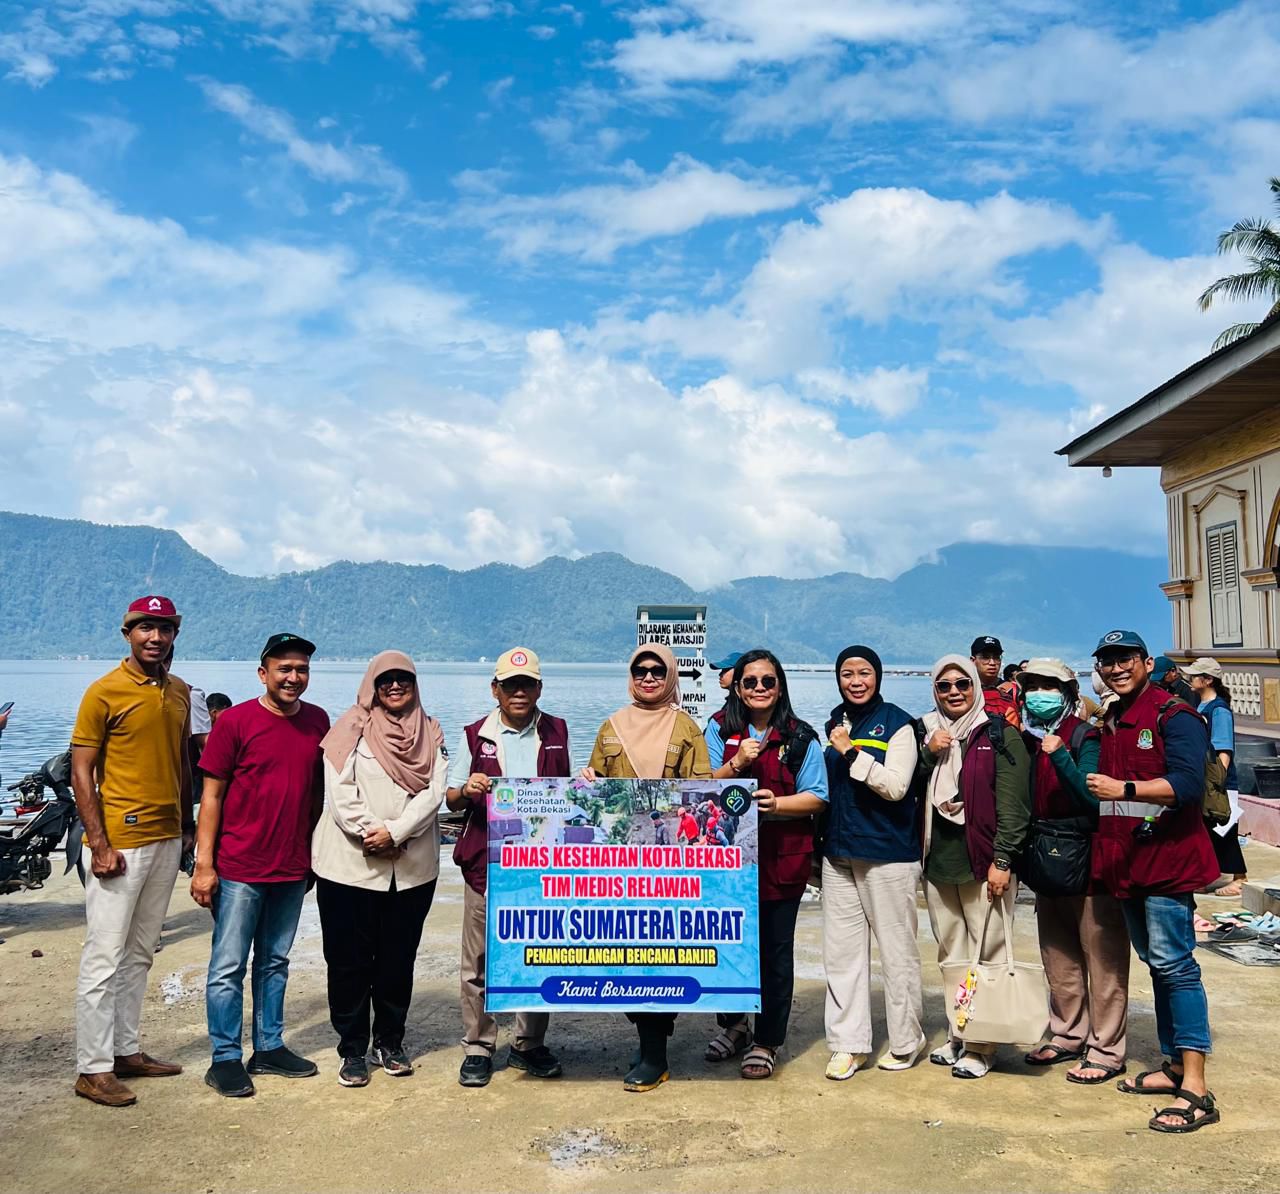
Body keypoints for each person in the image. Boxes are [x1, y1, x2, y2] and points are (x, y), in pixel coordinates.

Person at [1086, 630, 1221, 1133]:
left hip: (1167, 864)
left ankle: (1197, 1089)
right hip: (1128, 864)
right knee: (1156, 964)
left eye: (1124, 659)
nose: (1116, 668)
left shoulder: (1174, 716)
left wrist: (1124, 787)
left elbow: (1187, 784)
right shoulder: (1116, 717)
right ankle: (1173, 1065)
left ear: (1145, 662)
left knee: (1176, 966)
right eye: (1107, 661)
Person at [191, 634, 330, 1097]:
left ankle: (268, 1046)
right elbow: (211, 796)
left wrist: (312, 857)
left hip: (291, 866)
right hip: (239, 866)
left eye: (302, 670)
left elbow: (315, 796)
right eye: (284, 669)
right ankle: (225, 1057)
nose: (293, 677)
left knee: (274, 962)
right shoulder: (234, 721)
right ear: (263, 673)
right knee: (228, 965)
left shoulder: (317, 722)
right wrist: (203, 864)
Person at [69, 595, 193, 1107]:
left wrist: (187, 827)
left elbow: (183, 762)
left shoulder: (182, 692)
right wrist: (98, 843)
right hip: (119, 842)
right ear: (127, 633)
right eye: (145, 628)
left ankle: (125, 1051)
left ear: (173, 636)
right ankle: (91, 1068)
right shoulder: (103, 692)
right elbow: (82, 771)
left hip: (166, 839)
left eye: (164, 629)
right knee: (104, 955)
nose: (154, 637)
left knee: (141, 952)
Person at [312, 652, 447, 1088]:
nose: (394, 686)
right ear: (372, 683)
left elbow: (434, 792)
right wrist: (372, 832)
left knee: (397, 960)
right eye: (385, 679)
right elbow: (338, 791)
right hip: (349, 866)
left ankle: (390, 1041)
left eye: (403, 679)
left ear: (414, 683)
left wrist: (396, 831)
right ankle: (351, 1049)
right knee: (348, 962)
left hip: (410, 868)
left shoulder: (430, 730)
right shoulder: (349, 728)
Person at [582, 643, 711, 1092]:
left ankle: (655, 1052)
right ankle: (649, 1036)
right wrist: (588, 782)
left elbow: (701, 789)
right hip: (621, 862)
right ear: (631, 675)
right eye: (641, 670)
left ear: (672, 676)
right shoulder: (610, 726)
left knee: (656, 954)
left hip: (670, 862)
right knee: (624, 950)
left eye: (659, 671)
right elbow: (597, 785)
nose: (650, 677)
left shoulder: (686, 727)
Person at [445, 647, 569, 1088]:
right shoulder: (474, 734)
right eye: (510, 685)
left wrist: (586, 784)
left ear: (539, 688)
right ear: (495, 689)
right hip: (487, 863)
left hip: (541, 865)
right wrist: (468, 788)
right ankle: (479, 1045)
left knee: (538, 951)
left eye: (527, 684)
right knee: (477, 960)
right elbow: (451, 796)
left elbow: (568, 793)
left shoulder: (557, 729)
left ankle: (529, 1043)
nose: (519, 692)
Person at [704, 649, 827, 1080]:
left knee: (775, 953)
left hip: (782, 860)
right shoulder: (718, 729)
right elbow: (700, 784)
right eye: (750, 681)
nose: (759, 688)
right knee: (726, 946)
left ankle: (766, 1039)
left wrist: (779, 804)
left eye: (768, 681)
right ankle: (734, 1025)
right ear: (737, 687)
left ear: (780, 686)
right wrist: (736, 765)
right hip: (726, 863)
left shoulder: (800, 736)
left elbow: (818, 795)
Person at [1018, 659, 1130, 1085]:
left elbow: (1090, 796)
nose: (1038, 694)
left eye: (1048, 686)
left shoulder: (1087, 737)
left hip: (1089, 858)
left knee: (1102, 958)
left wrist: (1061, 755)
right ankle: (1067, 1033)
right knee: (1058, 954)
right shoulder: (1034, 739)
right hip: (1048, 859)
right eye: (1032, 687)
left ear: (1067, 693)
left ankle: (1106, 1048)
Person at [920, 654, 1031, 1079]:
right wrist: (930, 756)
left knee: (988, 954)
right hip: (940, 863)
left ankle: (983, 1045)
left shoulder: (1000, 734)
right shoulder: (927, 732)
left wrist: (1003, 860)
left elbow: (1015, 805)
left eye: (962, 684)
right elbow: (913, 788)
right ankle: (959, 1030)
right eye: (944, 685)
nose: (953, 692)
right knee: (952, 956)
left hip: (984, 863)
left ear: (975, 688)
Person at [820, 645, 927, 1080]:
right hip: (839, 853)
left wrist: (849, 752)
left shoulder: (899, 724)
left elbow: (897, 786)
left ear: (878, 677)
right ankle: (849, 1044)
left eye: (864, 672)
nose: (856, 681)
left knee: (897, 954)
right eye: (847, 673)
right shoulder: (835, 721)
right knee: (842, 956)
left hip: (887, 855)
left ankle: (906, 1041)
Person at [1187, 657, 1246, 898]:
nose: (1190, 679)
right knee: (1207, 830)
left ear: (1207, 679)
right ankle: (1206, 875)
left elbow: (1223, 749)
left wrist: (1216, 782)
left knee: (1224, 828)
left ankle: (1240, 877)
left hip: (1218, 782)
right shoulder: (1201, 706)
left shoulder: (1218, 709)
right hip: (1203, 778)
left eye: (1194, 675)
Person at [970, 635, 1019, 727]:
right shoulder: (964, 690)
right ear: (973, 660)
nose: (992, 663)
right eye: (985, 657)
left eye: (996, 657)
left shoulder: (1013, 691)